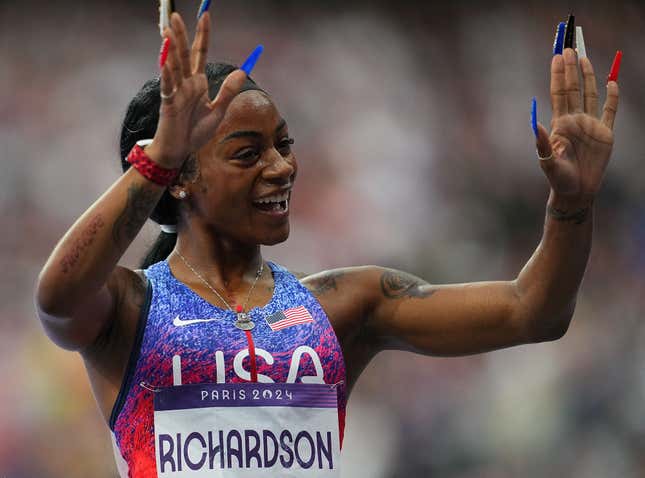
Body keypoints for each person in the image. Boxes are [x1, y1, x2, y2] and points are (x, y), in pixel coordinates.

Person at [35, 9, 619, 477]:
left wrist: (571, 205)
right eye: (248, 153)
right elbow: (57, 298)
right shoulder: (131, 311)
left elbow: (533, 311)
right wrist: (158, 157)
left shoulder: (343, 305)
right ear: (183, 179)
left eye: (283, 144)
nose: (281, 167)